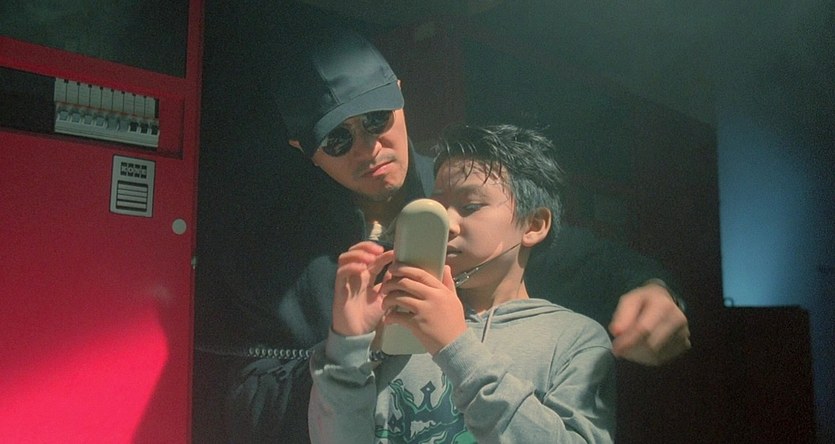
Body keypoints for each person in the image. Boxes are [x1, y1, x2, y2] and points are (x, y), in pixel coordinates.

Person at [204, 25, 688, 443]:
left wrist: (651, 287)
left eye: (376, 118)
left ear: (399, 93)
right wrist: (351, 349)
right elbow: (249, 401)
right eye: (337, 138)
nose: (369, 148)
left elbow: (579, 252)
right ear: (302, 148)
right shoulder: (273, 252)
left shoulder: (463, 184)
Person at [309, 123, 616, 443]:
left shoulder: (575, 339)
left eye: (470, 206)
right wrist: (347, 346)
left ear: (534, 224)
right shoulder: (397, 325)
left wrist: (455, 347)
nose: (448, 223)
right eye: (438, 208)